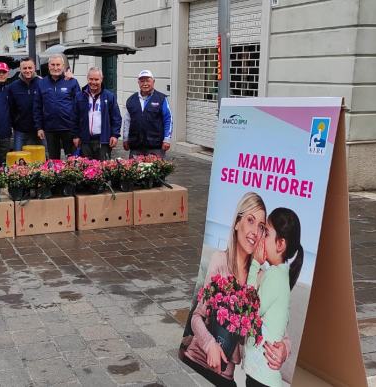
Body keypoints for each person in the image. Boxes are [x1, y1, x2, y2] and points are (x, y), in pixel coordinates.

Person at [180, 192, 290, 386]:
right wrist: (210, 345)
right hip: (196, 360)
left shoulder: (262, 276)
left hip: (225, 375)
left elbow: (280, 328)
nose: (255, 232)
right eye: (250, 220)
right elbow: (197, 316)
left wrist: (285, 349)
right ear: (237, 223)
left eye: (262, 226)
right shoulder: (219, 261)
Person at [244, 208, 304, 387]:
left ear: (280, 245)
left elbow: (249, 308)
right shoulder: (278, 275)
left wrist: (255, 263)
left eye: (266, 233)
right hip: (258, 375)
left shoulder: (274, 277)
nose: (261, 237)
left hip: (261, 378)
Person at [34, 53, 80, 160]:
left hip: (69, 128)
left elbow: (79, 106)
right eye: (53, 65)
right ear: (48, 66)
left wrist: (77, 129)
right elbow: (37, 107)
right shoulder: (42, 83)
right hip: (50, 129)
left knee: (71, 160)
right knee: (54, 161)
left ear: (63, 67)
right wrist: (39, 127)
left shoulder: (72, 82)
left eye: (58, 65)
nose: (55, 68)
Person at [73, 67, 122, 160]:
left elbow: (116, 118)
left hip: (103, 141)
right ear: (87, 79)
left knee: (103, 170)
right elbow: (74, 117)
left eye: (96, 79)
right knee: (86, 170)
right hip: (85, 141)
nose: (93, 82)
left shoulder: (109, 96)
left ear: (101, 79)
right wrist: (75, 136)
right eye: (91, 79)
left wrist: (115, 135)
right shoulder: (79, 96)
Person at [123, 70, 172, 159]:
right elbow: (127, 121)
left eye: (148, 80)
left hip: (155, 146)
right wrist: (125, 139)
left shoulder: (161, 98)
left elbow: (168, 119)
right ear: (138, 83)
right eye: (142, 81)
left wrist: (167, 139)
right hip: (136, 146)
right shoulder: (131, 100)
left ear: (153, 82)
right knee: (135, 172)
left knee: (155, 172)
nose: (145, 84)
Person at [8, 57, 44, 151]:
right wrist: (15, 122)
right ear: (20, 69)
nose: (27, 70)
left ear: (34, 68)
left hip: (40, 130)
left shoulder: (42, 83)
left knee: (43, 160)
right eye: (24, 68)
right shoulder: (13, 86)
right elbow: (11, 108)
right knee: (19, 161)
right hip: (20, 130)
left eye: (30, 68)